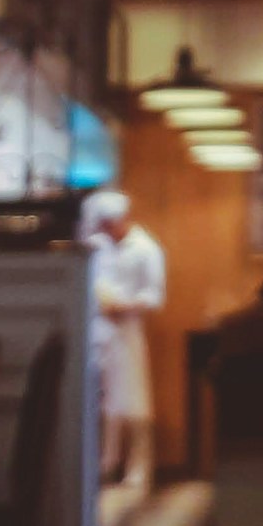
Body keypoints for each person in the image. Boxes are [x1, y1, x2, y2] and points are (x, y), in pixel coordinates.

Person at [79, 188, 167, 491]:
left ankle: (139, 468)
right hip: (96, 331)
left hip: (128, 331)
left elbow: (154, 297)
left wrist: (124, 306)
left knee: (135, 403)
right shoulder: (95, 247)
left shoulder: (146, 249)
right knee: (101, 401)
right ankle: (105, 464)